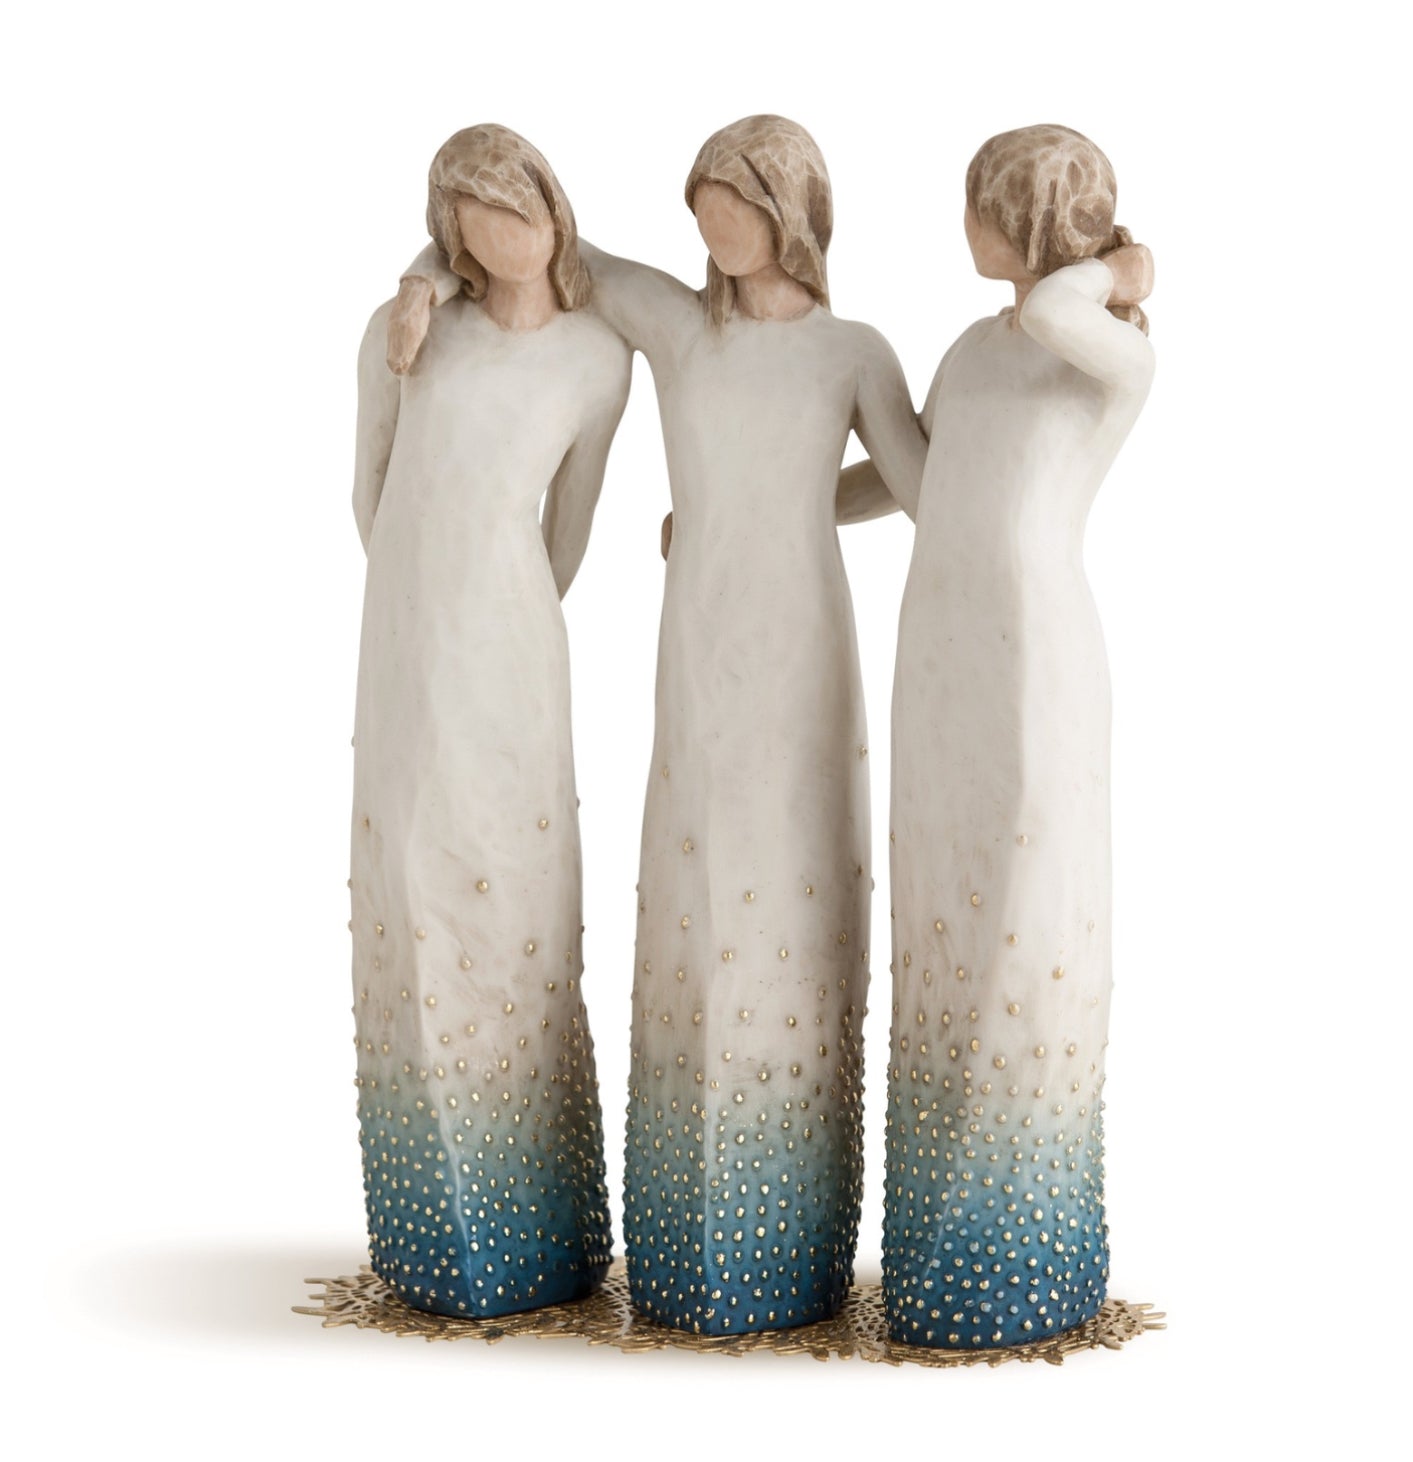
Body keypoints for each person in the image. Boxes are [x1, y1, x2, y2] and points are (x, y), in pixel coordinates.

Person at [393, 114, 927, 1334]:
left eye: (732, 205)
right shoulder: (678, 331)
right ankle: (689, 1250)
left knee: (792, 882)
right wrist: (421, 279)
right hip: (698, 649)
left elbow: (915, 482)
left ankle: (787, 1246)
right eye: (700, 208)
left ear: (791, 211)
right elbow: (542, 243)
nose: (711, 228)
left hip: (803, 641)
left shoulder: (852, 351)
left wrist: (800, 503)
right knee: (696, 887)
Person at [872, 124, 1155, 1347]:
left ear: (1032, 218)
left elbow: (1051, 314)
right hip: (936, 647)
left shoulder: (1106, 350)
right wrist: (764, 498)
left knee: (1022, 923)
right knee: (943, 907)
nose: (963, 226)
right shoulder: (968, 348)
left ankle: (1018, 1264)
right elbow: (915, 481)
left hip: (1035, 655)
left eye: (982, 204)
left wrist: (1117, 267)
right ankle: (932, 1257)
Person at [350, 124, 630, 1319]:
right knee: (415, 878)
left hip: (515, 639)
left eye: (519, 208)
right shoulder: (406, 331)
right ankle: (435, 1224)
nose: (506, 234)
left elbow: (569, 528)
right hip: (408, 632)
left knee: (515, 887)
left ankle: (542, 1223)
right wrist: (423, 598)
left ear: (553, 212)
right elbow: (369, 489)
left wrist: (501, 609)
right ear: (451, 232)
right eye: (475, 217)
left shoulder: (598, 357)